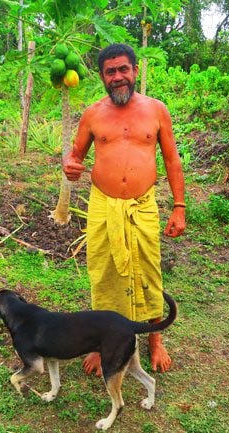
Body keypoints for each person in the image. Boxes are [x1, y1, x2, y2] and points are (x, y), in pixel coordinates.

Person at [62, 43, 186, 375]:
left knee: (149, 270)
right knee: (104, 274)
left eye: (123, 69)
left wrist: (179, 207)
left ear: (134, 70)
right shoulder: (92, 114)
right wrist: (70, 166)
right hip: (103, 206)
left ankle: (155, 340)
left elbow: (172, 161)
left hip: (143, 205)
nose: (118, 77)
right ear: (102, 76)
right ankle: (101, 343)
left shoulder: (157, 110)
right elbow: (75, 155)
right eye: (110, 72)